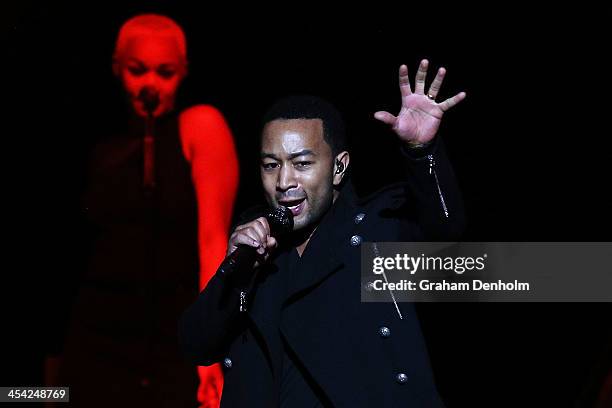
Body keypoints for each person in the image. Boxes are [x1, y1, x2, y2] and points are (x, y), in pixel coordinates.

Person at [179, 59, 466, 407]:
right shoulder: (256, 243)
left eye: (302, 164)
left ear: (338, 168)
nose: (284, 182)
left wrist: (422, 154)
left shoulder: (375, 229)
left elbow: (446, 233)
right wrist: (234, 271)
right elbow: (195, 344)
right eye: (271, 165)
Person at [52, 14, 238, 408]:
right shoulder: (102, 143)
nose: (150, 85)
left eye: (164, 72)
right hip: (98, 332)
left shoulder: (199, 126)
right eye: (137, 71)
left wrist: (210, 351)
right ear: (117, 67)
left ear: (183, 72)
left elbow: (212, 240)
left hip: (173, 334)